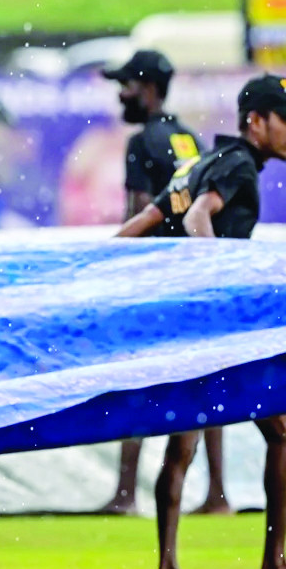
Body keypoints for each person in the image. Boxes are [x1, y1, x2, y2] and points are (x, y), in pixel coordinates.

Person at [117, 74, 286, 569]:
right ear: (255, 121)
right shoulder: (239, 166)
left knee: (182, 443)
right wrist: (221, 292)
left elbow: (144, 221)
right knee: (282, 434)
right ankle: (275, 567)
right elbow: (196, 220)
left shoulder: (199, 163)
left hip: (180, 325)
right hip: (213, 326)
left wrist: (97, 276)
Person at [98, 51, 229, 516]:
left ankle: (126, 493)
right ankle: (217, 494)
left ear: (147, 87)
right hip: (192, 275)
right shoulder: (187, 137)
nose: (120, 94)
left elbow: (137, 213)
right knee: (205, 379)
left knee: (133, 376)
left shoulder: (141, 142)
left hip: (153, 277)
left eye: (126, 84)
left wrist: (116, 269)